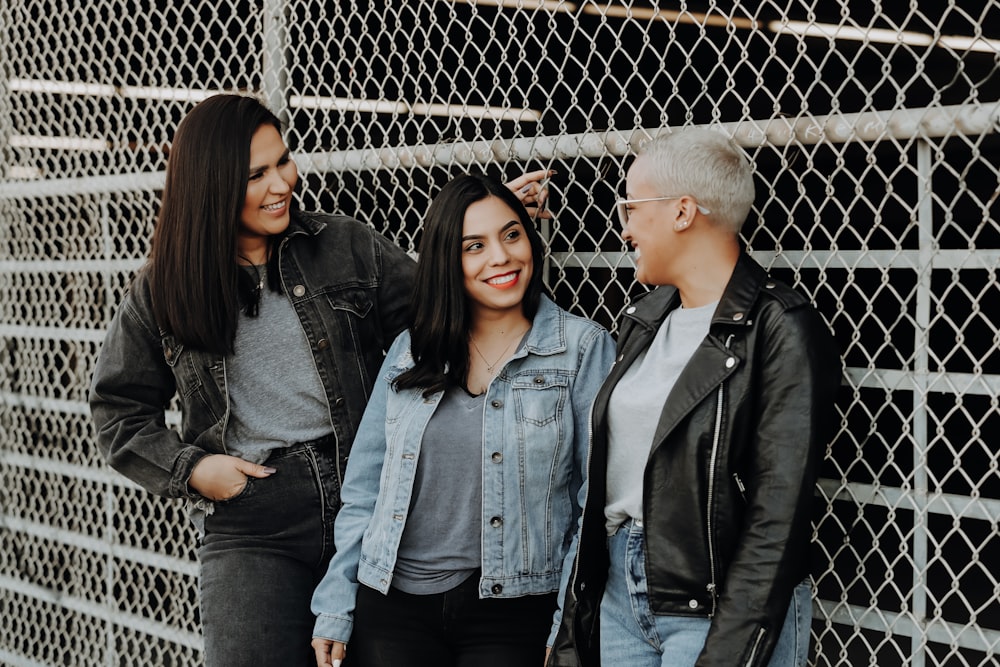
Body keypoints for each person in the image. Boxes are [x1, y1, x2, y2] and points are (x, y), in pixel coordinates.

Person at [88, 93, 552, 667]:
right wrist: (195, 470)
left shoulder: (343, 247)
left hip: (370, 504)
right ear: (212, 185)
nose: (283, 181)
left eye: (283, 160)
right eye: (256, 174)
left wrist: (489, 226)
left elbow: (438, 316)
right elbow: (118, 410)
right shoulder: (162, 287)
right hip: (255, 519)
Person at [547, 128, 842, 667]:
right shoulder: (645, 319)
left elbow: (777, 516)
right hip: (619, 590)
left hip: (715, 603)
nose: (626, 228)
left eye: (632, 208)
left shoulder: (781, 327)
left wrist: (731, 649)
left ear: (683, 212)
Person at [310, 173, 616, 667]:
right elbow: (366, 485)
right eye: (474, 245)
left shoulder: (581, 349)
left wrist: (566, 620)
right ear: (447, 262)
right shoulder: (413, 349)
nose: (501, 257)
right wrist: (335, 604)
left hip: (514, 608)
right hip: (391, 604)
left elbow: (593, 498)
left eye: (512, 234)